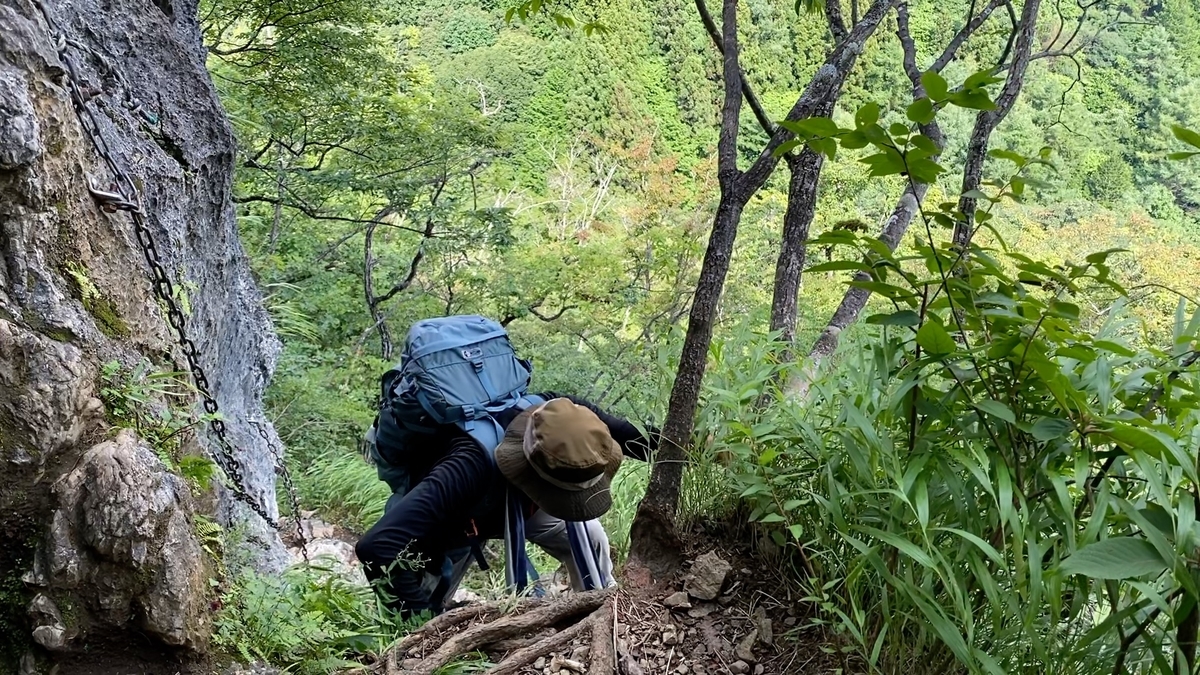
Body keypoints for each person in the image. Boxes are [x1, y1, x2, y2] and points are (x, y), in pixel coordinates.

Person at [354, 393, 655, 619]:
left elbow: (630, 435)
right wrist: (422, 627)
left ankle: (598, 613)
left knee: (590, 538)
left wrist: (694, 443)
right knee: (422, 607)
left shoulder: (563, 416)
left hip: (524, 505)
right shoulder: (465, 467)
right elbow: (376, 547)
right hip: (455, 523)